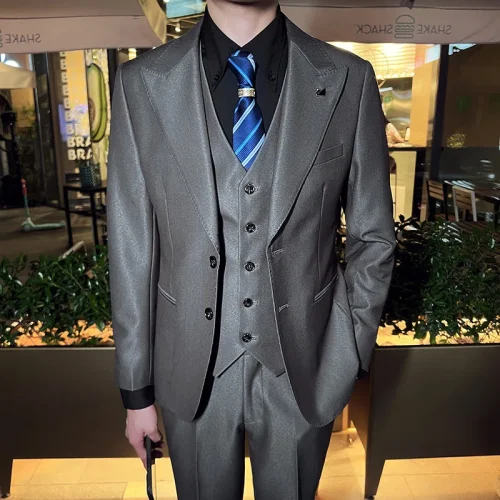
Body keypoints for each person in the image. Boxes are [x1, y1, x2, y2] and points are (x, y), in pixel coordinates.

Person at [107, 0, 396, 497]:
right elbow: (131, 247)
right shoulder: (141, 83)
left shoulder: (349, 78)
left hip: (304, 367)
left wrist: (347, 350)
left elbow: (374, 236)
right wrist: (136, 391)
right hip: (189, 372)